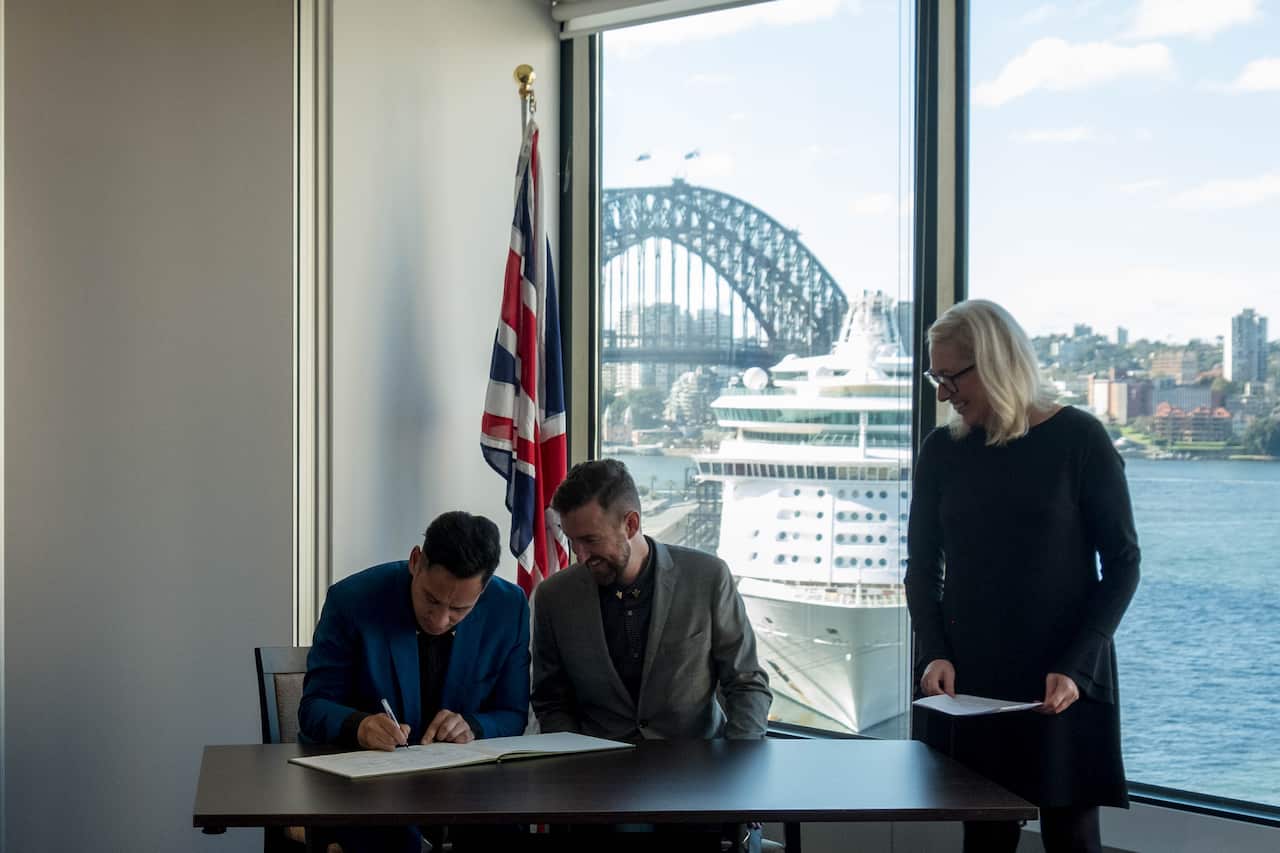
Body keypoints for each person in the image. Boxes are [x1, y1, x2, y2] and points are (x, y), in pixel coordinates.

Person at [905, 299, 1141, 853]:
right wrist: (933, 652)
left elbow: (1124, 563)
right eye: (934, 377)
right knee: (985, 840)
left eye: (950, 377)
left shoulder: (1079, 439)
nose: (942, 394)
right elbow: (921, 568)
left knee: (1073, 839)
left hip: (1065, 675)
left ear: (994, 362)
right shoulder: (941, 451)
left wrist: (1078, 667)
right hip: (972, 680)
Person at [299, 510, 530, 853]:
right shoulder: (352, 600)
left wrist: (474, 726)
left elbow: (513, 713)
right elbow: (313, 708)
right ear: (415, 561)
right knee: (392, 839)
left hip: (467, 786)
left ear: (483, 591)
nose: (440, 619)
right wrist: (359, 726)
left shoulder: (508, 607)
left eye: (459, 610)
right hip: (369, 785)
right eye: (431, 599)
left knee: (506, 832)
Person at [531, 458, 771, 741]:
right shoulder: (554, 597)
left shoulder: (708, 578)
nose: (580, 556)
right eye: (573, 542)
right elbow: (551, 701)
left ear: (631, 524)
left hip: (697, 770)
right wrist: (572, 762)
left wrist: (737, 763)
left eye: (591, 540)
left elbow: (746, 684)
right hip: (596, 774)